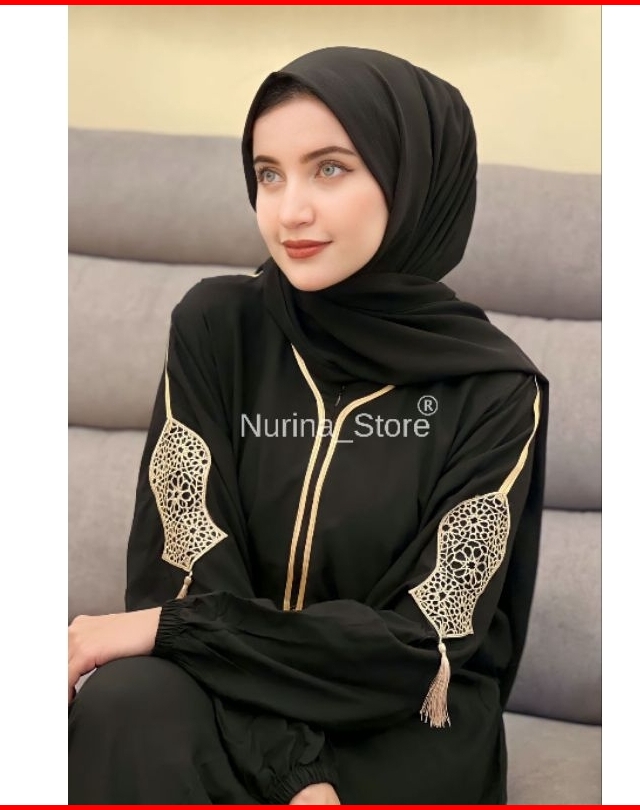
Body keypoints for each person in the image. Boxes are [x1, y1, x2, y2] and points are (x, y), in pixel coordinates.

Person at [68, 45, 549, 805]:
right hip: (227, 687)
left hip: (396, 720)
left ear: (413, 179)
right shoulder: (218, 329)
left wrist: (183, 640)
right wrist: (291, 764)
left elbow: (416, 646)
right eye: (269, 174)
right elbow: (187, 572)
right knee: (126, 703)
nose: (289, 211)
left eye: (329, 168)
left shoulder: (496, 391)